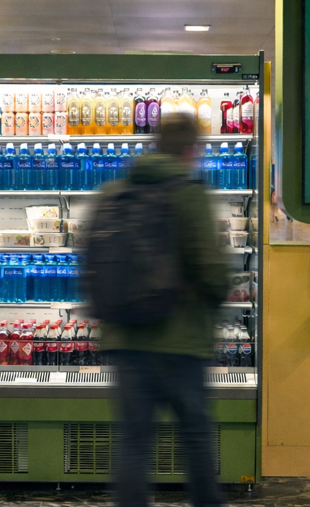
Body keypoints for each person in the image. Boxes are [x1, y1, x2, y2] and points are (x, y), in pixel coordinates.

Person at [100, 112, 228, 507]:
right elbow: (211, 271)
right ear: (191, 151)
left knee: (134, 442)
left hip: (125, 339)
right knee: (195, 438)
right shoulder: (188, 193)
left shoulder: (115, 190)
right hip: (180, 343)